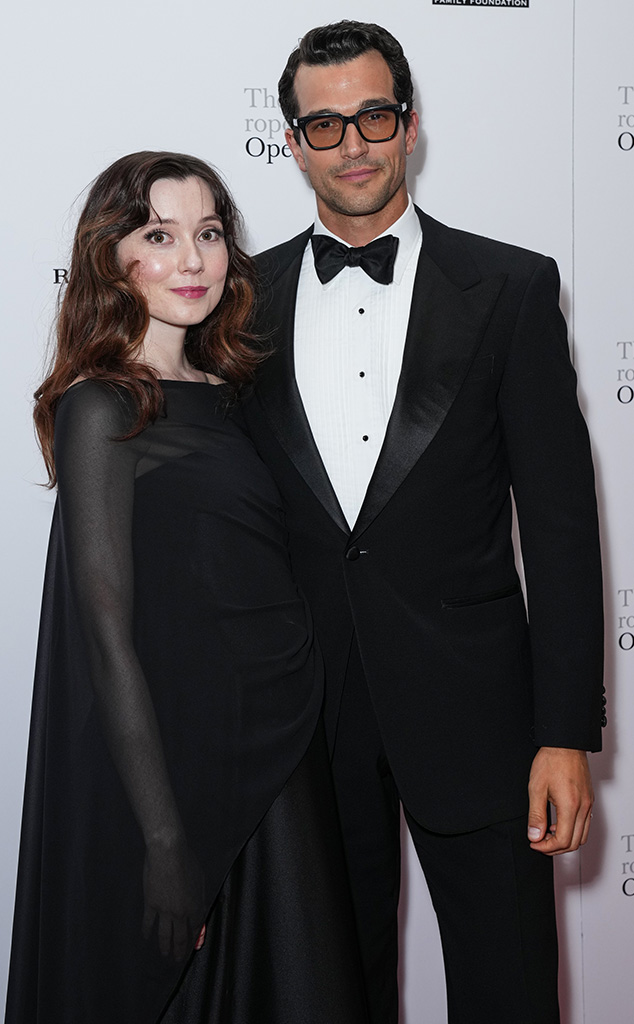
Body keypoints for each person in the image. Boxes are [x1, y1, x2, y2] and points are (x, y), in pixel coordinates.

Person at [241, 20, 606, 1024]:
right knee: (326, 994)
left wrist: (564, 733)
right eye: (324, 123)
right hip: (301, 726)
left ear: (410, 125)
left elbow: (563, 527)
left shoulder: (512, 287)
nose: (351, 143)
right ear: (292, 142)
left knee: (510, 993)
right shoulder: (240, 302)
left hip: (482, 720)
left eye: (372, 115)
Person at [5, 151, 368, 1024]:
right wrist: (164, 839)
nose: (193, 259)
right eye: (160, 235)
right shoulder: (102, 408)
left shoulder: (238, 393)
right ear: (112, 257)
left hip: (279, 750)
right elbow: (106, 634)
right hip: (176, 771)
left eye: (208, 233)